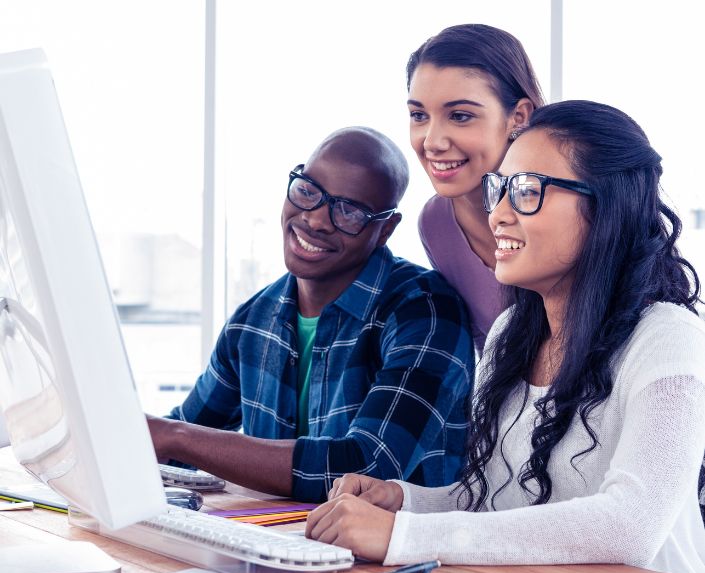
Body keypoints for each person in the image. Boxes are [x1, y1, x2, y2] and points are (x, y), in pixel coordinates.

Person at [305, 101, 705, 573]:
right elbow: (497, 503)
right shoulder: (508, 334)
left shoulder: (668, 338)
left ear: (606, 208)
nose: (497, 214)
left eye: (527, 191)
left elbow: (630, 526)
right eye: (500, 190)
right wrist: (404, 500)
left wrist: (404, 536)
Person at [148, 126, 473, 502]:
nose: (316, 220)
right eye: (308, 191)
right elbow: (175, 444)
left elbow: (369, 468)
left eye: (349, 211)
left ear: (385, 229)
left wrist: (176, 437)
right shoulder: (252, 321)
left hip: (403, 556)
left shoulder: (426, 310)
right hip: (281, 548)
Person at [408, 24, 544, 351]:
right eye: (418, 115)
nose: (432, 142)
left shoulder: (571, 204)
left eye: (460, 116)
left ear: (519, 116)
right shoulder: (437, 223)